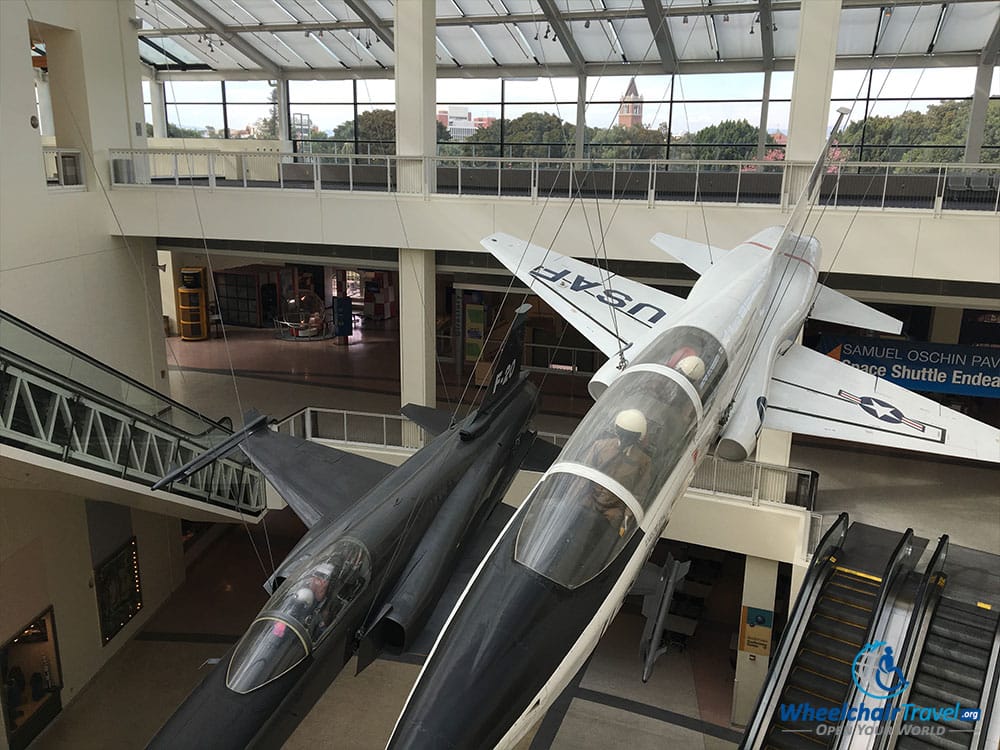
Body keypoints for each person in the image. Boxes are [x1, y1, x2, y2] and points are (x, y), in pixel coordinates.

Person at [584, 408, 652, 530]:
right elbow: (583, 478)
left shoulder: (643, 462)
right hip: (590, 501)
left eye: (630, 435)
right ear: (617, 430)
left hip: (613, 512)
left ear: (638, 437)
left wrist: (625, 522)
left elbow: (638, 494)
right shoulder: (599, 447)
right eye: (623, 432)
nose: (626, 438)